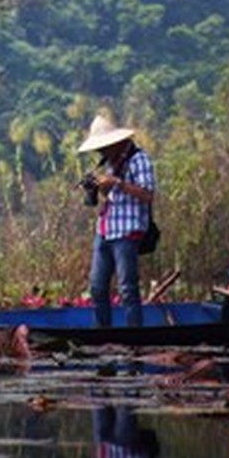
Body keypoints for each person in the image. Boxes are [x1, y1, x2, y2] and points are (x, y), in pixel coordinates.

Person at [77, 114, 156, 327]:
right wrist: (97, 189)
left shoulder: (139, 159)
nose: (101, 152)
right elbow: (112, 198)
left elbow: (148, 194)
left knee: (127, 288)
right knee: (97, 287)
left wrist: (117, 183)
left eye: (104, 147)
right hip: (105, 230)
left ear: (117, 142)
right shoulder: (111, 163)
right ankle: (102, 331)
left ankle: (133, 334)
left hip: (128, 232)